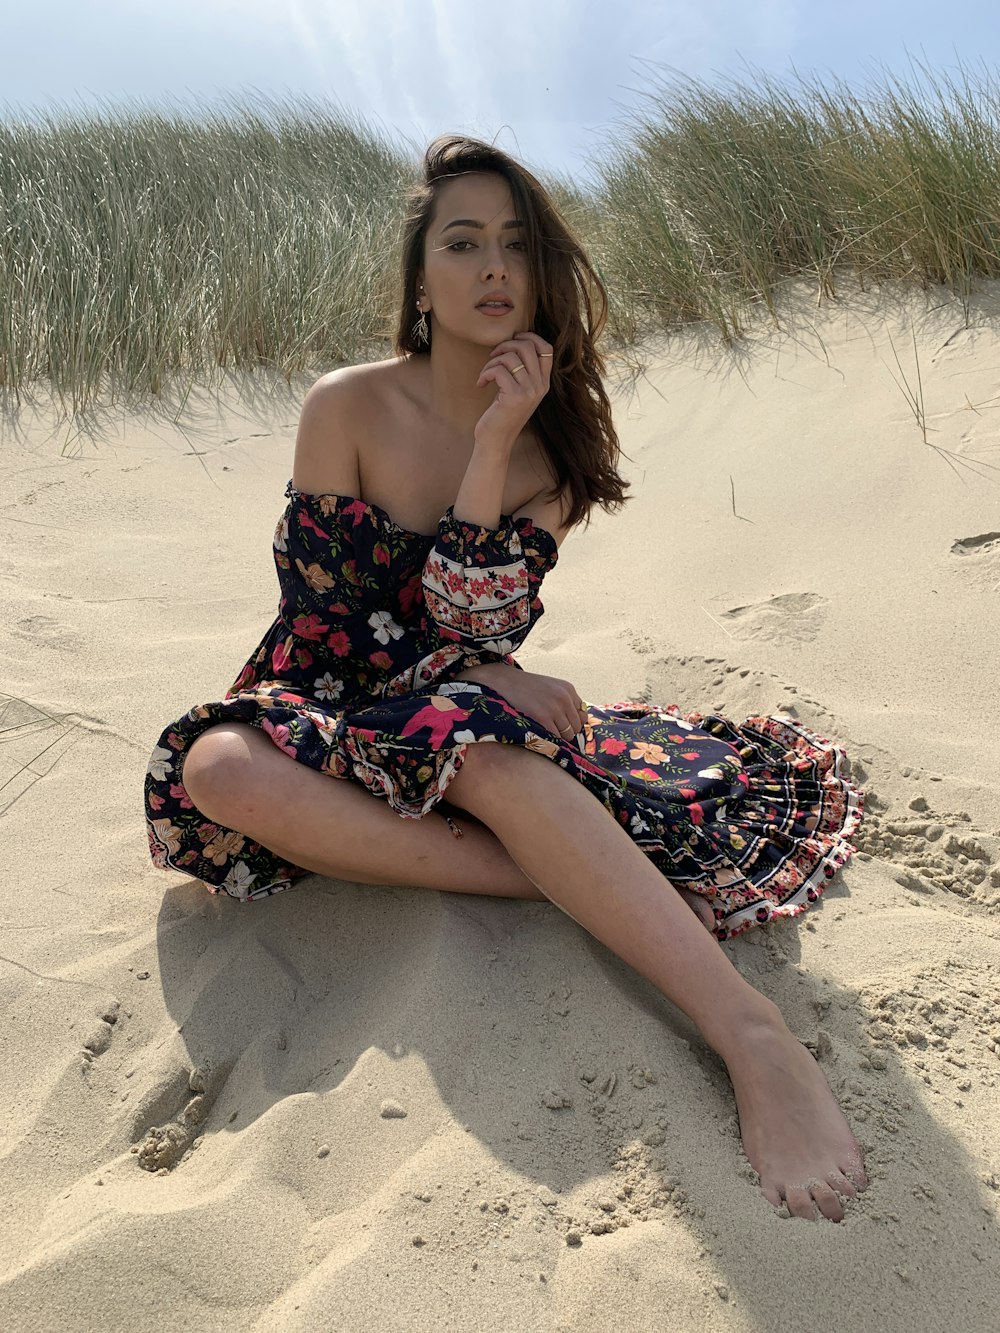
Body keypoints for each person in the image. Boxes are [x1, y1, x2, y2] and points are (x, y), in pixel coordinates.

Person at [144, 134, 868, 1222]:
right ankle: (571, 872)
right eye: (463, 242)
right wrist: (480, 666)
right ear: (421, 280)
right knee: (217, 769)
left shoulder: (552, 453)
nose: (492, 267)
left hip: (456, 708)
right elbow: (326, 614)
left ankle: (750, 1034)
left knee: (472, 747)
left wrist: (492, 448)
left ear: (539, 278)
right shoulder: (344, 404)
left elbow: (464, 615)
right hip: (331, 691)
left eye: (516, 247)